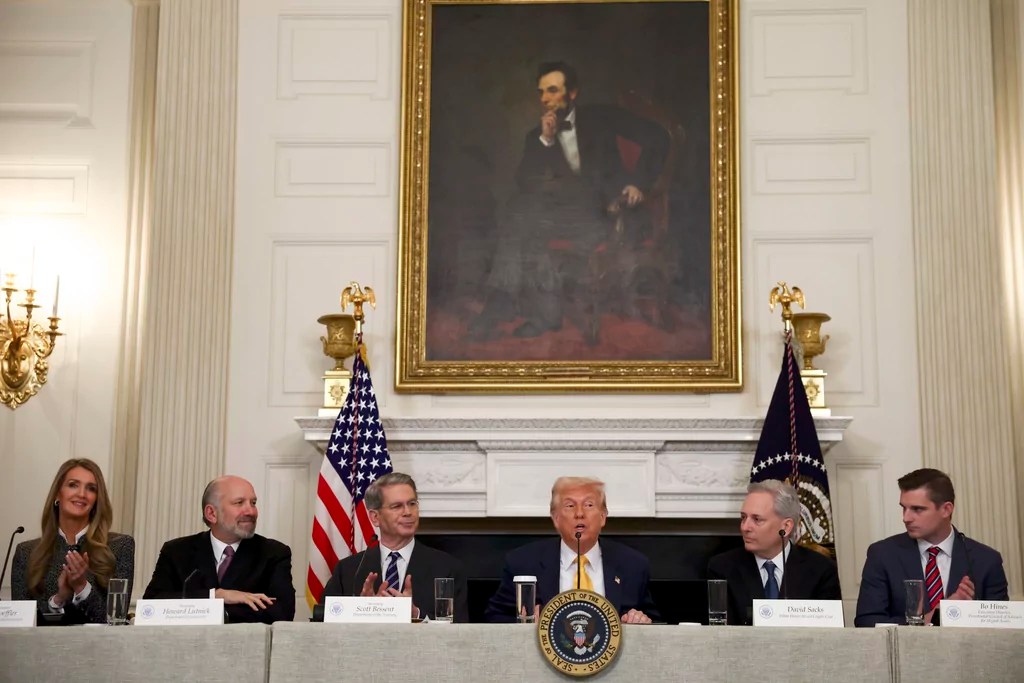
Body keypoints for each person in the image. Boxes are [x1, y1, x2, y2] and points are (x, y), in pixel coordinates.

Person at [470, 61, 670, 341]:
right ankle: (537, 313)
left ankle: (507, 304)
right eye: (541, 92)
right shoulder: (537, 136)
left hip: (608, 213)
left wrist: (638, 182)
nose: (545, 99)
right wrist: (547, 142)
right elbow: (525, 184)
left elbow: (659, 137)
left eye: (552, 90)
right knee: (521, 211)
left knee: (523, 217)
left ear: (572, 93)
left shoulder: (602, 117)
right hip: (564, 216)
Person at [485, 476, 658, 623]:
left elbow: (657, 624)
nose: (580, 513)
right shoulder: (522, 562)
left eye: (589, 505)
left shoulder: (633, 565)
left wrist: (641, 620)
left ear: (603, 517)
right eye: (570, 506)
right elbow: (493, 618)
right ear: (556, 519)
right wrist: (524, 621)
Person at [854, 468, 1009, 627]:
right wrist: (936, 615)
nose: (906, 518)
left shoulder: (986, 561)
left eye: (917, 509)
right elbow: (866, 623)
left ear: (946, 509)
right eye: (904, 507)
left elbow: (1001, 630)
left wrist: (964, 613)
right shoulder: (882, 555)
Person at [142, 475, 295, 623]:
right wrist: (216, 596)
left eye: (253, 503)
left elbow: (282, 612)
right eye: (239, 502)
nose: (251, 511)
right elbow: (152, 604)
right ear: (211, 513)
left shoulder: (273, 553)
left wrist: (216, 612)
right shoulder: (177, 551)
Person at [319, 472, 468, 622]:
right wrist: (360, 611)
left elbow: (461, 630)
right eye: (397, 506)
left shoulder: (447, 568)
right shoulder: (348, 570)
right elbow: (323, 622)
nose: (408, 512)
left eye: (412, 504)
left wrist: (416, 615)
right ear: (375, 517)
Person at [11, 458, 135, 625]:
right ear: (57, 494)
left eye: (91, 489)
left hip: (99, 649)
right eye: (73, 485)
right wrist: (60, 599)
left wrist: (82, 588)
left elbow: (116, 621)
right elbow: (20, 623)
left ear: (97, 500)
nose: (82, 494)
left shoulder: (120, 546)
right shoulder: (26, 552)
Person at [706, 480, 841, 625]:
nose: (745, 527)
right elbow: (719, 633)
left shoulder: (821, 570)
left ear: (786, 526)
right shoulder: (722, 568)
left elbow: (829, 635)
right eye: (743, 518)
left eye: (757, 519)